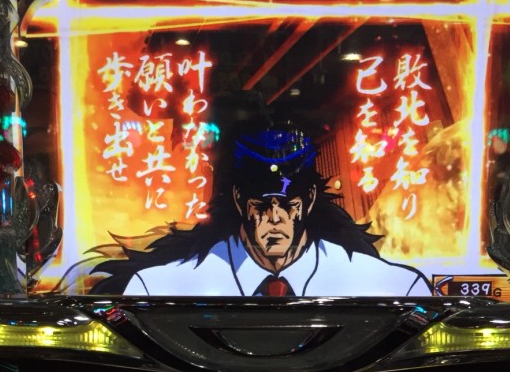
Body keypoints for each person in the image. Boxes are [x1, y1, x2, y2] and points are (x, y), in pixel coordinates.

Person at [91, 125, 431, 297]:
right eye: (262, 205)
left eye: (289, 204)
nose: (275, 217)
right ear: (240, 201)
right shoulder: (160, 286)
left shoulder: (394, 287)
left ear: (310, 200)